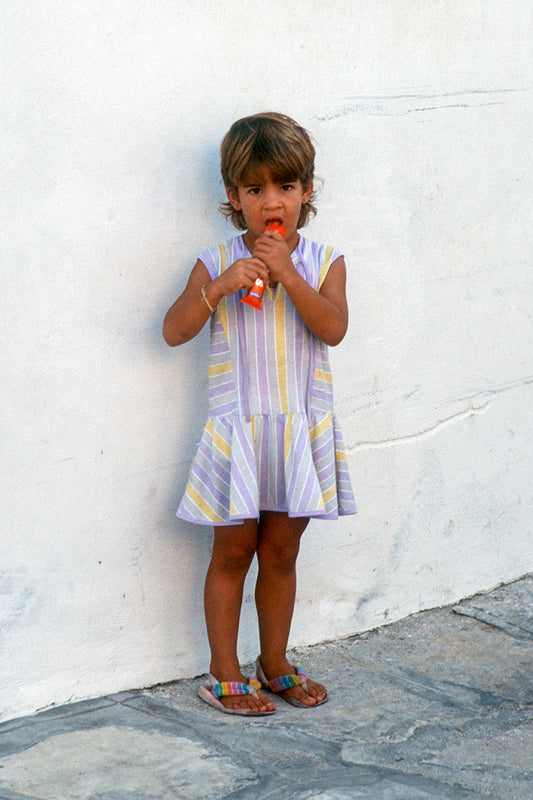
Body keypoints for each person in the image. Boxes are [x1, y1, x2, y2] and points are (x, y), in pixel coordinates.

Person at [163, 112, 356, 716]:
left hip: (295, 432)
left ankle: (274, 663)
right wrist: (217, 287)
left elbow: (333, 329)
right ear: (233, 196)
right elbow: (173, 331)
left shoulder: (325, 261)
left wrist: (289, 274)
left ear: (307, 191)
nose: (272, 202)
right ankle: (224, 671)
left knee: (280, 554)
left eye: (286, 187)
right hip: (239, 432)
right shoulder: (217, 259)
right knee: (232, 555)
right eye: (255, 189)